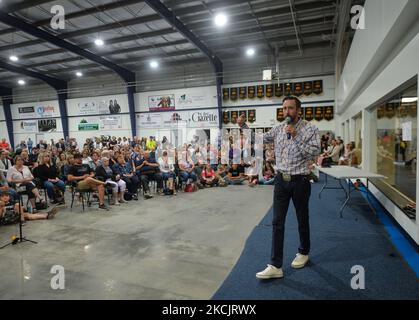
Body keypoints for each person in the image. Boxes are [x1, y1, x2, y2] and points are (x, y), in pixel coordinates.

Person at [256, 95, 320, 280]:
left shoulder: (310, 129)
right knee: (277, 222)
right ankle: (275, 265)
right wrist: (244, 127)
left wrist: (296, 136)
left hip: (300, 181)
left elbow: (315, 152)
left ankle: (303, 252)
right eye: (284, 108)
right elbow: (261, 137)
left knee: (302, 219)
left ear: (299, 110)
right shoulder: (278, 128)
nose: (287, 112)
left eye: (290, 108)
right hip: (280, 182)